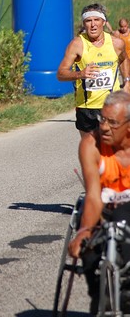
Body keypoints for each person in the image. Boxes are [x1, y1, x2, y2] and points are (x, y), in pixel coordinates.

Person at [68, 91, 130, 314]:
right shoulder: (90, 144)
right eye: (102, 119)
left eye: (112, 122)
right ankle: (98, 293)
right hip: (101, 205)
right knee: (91, 246)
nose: (104, 127)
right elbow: (93, 194)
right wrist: (84, 231)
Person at [57, 3, 130, 137]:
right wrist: (80, 74)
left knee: (113, 151)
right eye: (88, 21)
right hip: (86, 108)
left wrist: (127, 82)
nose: (93, 24)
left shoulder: (116, 43)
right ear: (84, 24)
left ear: (103, 22)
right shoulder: (77, 45)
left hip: (111, 106)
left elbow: (124, 59)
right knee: (91, 153)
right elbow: (61, 74)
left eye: (96, 20)